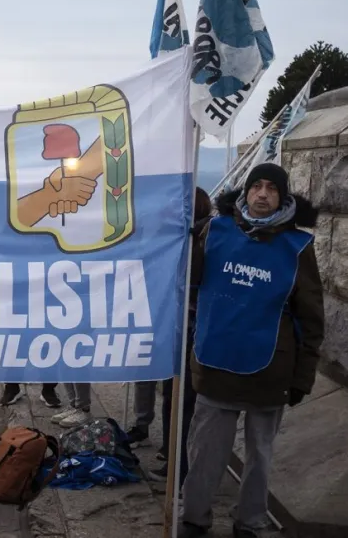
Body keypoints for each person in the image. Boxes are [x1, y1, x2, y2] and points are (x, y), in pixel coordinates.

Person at [179, 164, 324, 538]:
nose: (262, 194)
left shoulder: (297, 247)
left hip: (270, 369)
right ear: (245, 192)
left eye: (272, 188)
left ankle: (250, 521)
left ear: (283, 197)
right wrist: (183, 240)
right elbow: (187, 281)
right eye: (256, 186)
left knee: (260, 456)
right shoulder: (213, 231)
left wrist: (303, 376)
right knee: (204, 452)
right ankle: (194, 518)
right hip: (215, 362)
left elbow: (311, 319)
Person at [149, 186, 213, 482]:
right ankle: (170, 451)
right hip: (177, 325)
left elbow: (193, 279)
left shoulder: (202, 238)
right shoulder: (185, 237)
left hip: (191, 328)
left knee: (182, 399)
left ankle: (179, 464)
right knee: (172, 394)